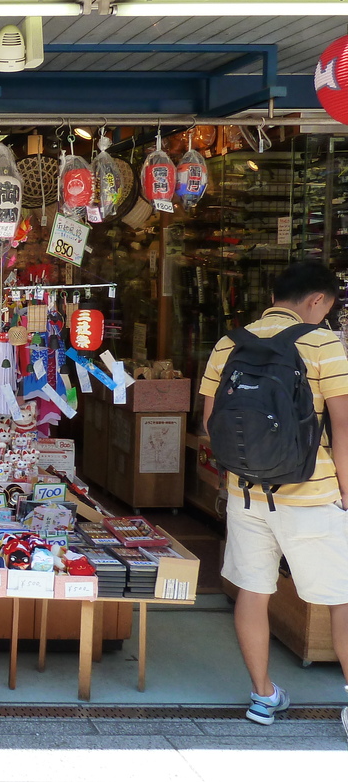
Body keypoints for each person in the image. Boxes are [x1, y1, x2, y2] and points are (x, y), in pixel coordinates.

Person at [199, 261, 348, 733]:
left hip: (246, 493)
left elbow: (210, 425)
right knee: (341, 600)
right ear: (317, 301)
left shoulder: (230, 342)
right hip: (312, 493)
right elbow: (343, 428)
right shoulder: (324, 342)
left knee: (253, 591)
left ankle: (263, 696)